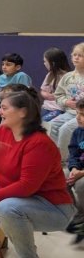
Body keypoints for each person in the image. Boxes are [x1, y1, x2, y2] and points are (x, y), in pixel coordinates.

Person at [0, 87, 75, 258]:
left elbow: (27, 186)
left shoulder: (39, 143)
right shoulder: (4, 130)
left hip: (52, 206)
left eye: (4, 108)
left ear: (23, 112)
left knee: (7, 208)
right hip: (14, 194)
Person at [53, 42, 84, 162]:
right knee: (53, 125)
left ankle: (63, 160)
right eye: (74, 55)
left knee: (65, 129)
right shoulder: (67, 77)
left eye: (80, 55)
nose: (76, 58)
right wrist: (66, 102)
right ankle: (52, 155)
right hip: (69, 112)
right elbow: (58, 95)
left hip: (81, 114)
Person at [67, 100, 84, 245]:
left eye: (83, 114)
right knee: (60, 179)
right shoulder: (78, 132)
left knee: (81, 185)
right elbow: (73, 153)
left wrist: (81, 173)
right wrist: (73, 168)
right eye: (77, 113)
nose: (78, 117)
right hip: (79, 168)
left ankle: (81, 219)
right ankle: (78, 214)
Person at [40, 47, 71, 121]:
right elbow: (43, 90)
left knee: (43, 122)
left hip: (58, 109)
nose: (44, 64)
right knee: (32, 121)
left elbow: (67, 96)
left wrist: (56, 96)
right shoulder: (50, 75)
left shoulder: (67, 76)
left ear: (53, 63)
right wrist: (45, 94)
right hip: (46, 106)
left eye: (45, 61)